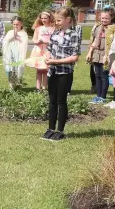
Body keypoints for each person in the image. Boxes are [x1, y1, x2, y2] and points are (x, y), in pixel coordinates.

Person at [42, 8, 80, 142]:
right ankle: (51, 129)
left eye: (59, 20)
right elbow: (49, 49)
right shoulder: (55, 33)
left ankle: (60, 130)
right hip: (53, 72)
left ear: (68, 20)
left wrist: (55, 61)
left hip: (65, 73)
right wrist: (47, 57)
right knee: (52, 101)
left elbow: (75, 57)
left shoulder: (73, 35)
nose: (56, 22)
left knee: (61, 101)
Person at [86, 10, 114, 104]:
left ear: (111, 18)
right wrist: (90, 52)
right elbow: (94, 41)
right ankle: (98, 96)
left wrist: (108, 56)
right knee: (97, 75)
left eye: (106, 18)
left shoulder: (113, 29)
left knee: (104, 76)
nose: (104, 20)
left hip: (106, 55)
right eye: (102, 18)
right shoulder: (97, 27)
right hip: (96, 54)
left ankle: (103, 96)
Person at [28, 11, 55, 92]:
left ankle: (44, 87)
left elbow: (55, 40)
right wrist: (37, 42)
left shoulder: (53, 29)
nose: (43, 20)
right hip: (39, 50)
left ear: (50, 18)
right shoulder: (38, 28)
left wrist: (47, 42)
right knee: (39, 70)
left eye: (45, 18)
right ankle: (38, 88)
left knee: (46, 69)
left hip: (48, 51)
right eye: (42, 18)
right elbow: (34, 39)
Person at [3, 16, 28, 90]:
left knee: (18, 69)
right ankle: (11, 86)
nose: (16, 26)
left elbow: (24, 44)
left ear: (21, 24)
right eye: (14, 24)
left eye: (17, 24)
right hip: (10, 54)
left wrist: (18, 38)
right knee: (10, 69)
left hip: (19, 54)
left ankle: (18, 86)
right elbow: (5, 42)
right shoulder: (10, 32)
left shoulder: (23, 33)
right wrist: (12, 37)